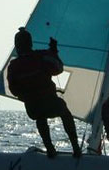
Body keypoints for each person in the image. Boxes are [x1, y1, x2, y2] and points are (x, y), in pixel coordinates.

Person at [7, 27, 81, 158]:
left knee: (40, 117)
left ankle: (50, 149)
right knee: (64, 111)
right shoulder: (41, 57)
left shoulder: (13, 66)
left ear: (17, 46)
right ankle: (76, 147)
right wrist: (54, 52)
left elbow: (13, 90)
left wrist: (25, 95)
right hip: (49, 103)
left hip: (33, 108)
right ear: (30, 44)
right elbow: (58, 68)